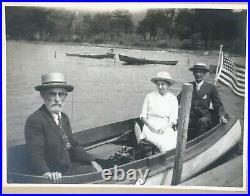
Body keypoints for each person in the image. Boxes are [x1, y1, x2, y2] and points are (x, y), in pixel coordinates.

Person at [25, 73, 102, 183]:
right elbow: (35, 155)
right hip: (56, 174)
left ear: (65, 96)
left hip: (69, 166)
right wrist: (47, 173)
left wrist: (91, 160)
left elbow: (72, 144)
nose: (57, 99)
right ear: (42, 95)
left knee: (99, 169)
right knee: (97, 175)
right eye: (52, 94)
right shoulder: (35, 120)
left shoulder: (64, 118)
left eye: (61, 94)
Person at [178, 63, 227, 140]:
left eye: (201, 72)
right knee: (182, 121)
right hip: (190, 116)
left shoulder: (211, 87)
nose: (198, 74)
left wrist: (221, 116)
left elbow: (217, 103)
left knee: (202, 121)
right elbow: (179, 100)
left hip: (204, 116)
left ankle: (199, 142)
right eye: (196, 72)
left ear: (204, 73)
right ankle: (183, 140)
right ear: (193, 73)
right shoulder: (188, 86)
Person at [135, 71, 178, 153]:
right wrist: (151, 127)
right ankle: (163, 162)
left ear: (168, 85)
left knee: (173, 142)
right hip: (150, 126)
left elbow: (173, 119)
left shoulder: (173, 99)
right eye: (158, 84)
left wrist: (165, 127)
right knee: (162, 143)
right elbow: (143, 116)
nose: (160, 87)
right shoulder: (149, 96)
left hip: (165, 126)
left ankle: (170, 161)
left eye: (163, 84)